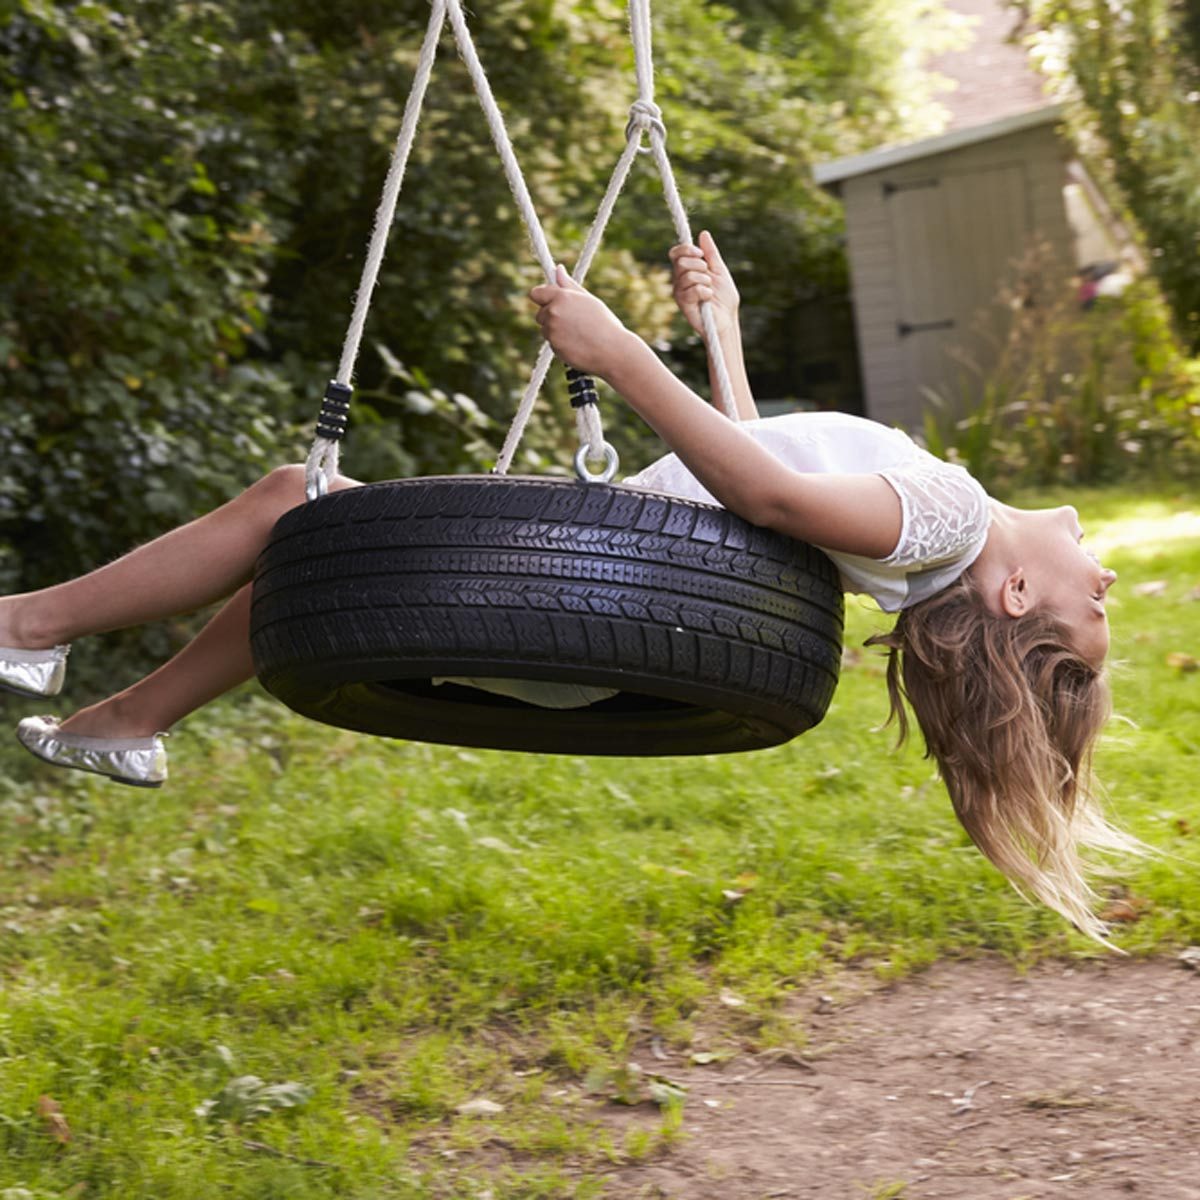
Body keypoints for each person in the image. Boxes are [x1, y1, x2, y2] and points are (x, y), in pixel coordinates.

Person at [2, 233, 1130, 940]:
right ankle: (125, 720)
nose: (1111, 574)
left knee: (294, 501)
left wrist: (621, 352)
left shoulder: (949, 520)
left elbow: (776, 503)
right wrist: (719, 332)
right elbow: (765, 470)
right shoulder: (922, 540)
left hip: (580, 610)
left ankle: (25, 628)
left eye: (1098, 607)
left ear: (1018, 597)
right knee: (319, 545)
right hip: (583, 636)